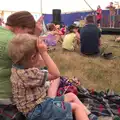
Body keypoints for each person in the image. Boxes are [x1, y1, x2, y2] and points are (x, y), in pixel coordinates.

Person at [8, 33, 92, 120]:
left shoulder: (16, 69)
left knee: (71, 96)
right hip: (39, 110)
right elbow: (55, 74)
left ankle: (90, 116)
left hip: (40, 105)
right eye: (39, 54)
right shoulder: (28, 74)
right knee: (76, 108)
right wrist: (44, 53)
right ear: (33, 57)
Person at [0, 11, 44, 104]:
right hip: (7, 97)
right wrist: (35, 36)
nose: (27, 36)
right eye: (28, 32)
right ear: (21, 26)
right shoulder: (14, 42)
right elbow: (36, 64)